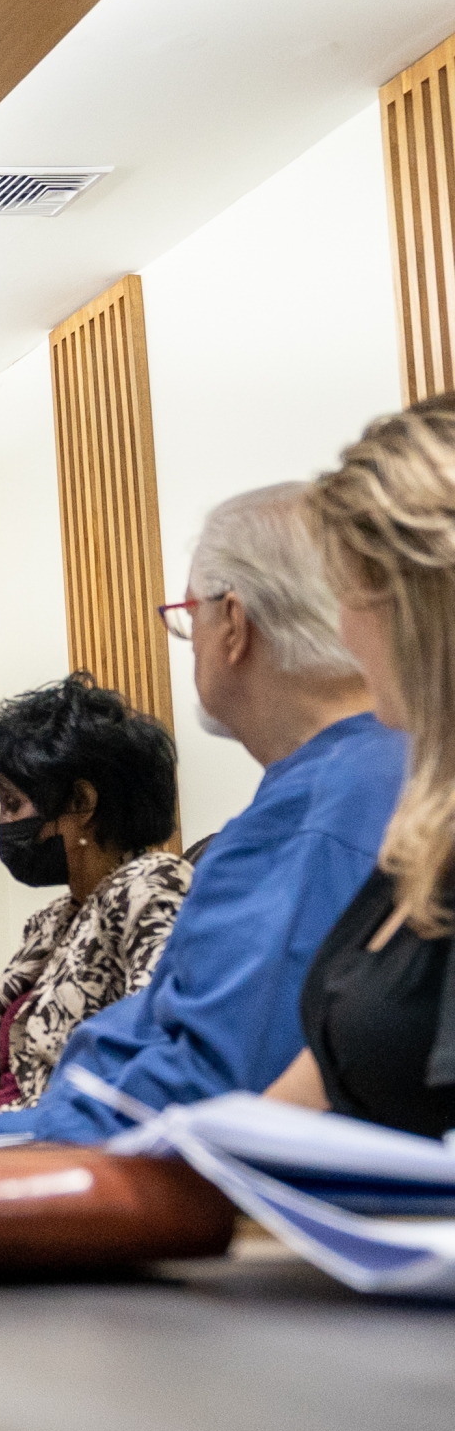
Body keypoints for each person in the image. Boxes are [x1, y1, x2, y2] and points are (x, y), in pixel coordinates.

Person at [0, 485, 402, 1142]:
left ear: (234, 623)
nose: (187, 639)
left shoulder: (309, 821)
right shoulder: (378, 776)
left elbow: (203, 1084)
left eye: (187, 615)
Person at [261, 400, 455, 1135]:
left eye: (348, 596)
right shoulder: (424, 830)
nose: (341, 632)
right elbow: (318, 1080)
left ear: (420, 607)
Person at [0, 677, 189, 1124]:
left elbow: (156, 1059)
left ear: (81, 801)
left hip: (53, 1141)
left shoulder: (151, 884)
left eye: (12, 803)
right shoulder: (52, 920)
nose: (3, 823)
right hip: (4, 1129)